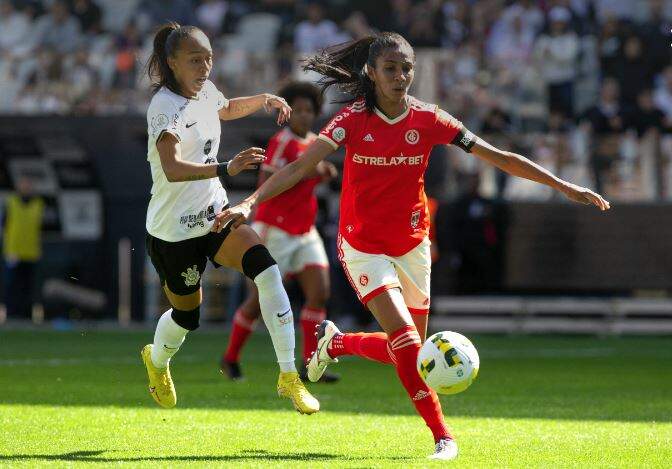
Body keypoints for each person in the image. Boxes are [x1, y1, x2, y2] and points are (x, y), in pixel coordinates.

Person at [214, 32, 610, 459]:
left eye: (407, 68)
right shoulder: (352, 120)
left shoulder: (430, 119)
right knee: (405, 339)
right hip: (363, 246)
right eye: (391, 68)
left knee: (413, 351)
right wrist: (250, 202)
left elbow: (498, 156)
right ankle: (443, 437)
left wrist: (562, 184)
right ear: (372, 72)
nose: (401, 76)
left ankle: (336, 344)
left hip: (412, 245)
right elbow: (299, 167)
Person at [140, 22, 319, 415]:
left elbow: (227, 108)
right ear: (172, 63)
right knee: (187, 317)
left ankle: (290, 376)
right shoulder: (164, 106)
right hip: (173, 231)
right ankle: (157, 362)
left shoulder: (204, 91)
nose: (204, 67)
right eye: (194, 60)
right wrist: (225, 168)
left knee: (267, 270)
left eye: (208, 58)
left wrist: (266, 98)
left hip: (215, 215)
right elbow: (171, 168)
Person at [220, 81, 340, 382]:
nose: (302, 115)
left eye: (308, 110)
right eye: (297, 109)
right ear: (288, 114)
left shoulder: (316, 143)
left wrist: (324, 172)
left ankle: (311, 364)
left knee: (320, 292)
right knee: (259, 302)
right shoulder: (281, 141)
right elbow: (269, 177)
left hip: (304, 230)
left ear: (315, 114)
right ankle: (230, 358)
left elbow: (322, 172)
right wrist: (315, 172)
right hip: (274, 229)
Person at [2, 177, 44, 320]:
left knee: (28, 287)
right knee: (12, 286)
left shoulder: (38, 203)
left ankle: (26, 316)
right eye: (23, 185)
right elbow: (5, 226)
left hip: (31, 252)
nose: (26, 187)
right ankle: (12, 315)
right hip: (14, 252)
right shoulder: (11, 202)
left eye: (28, 185)